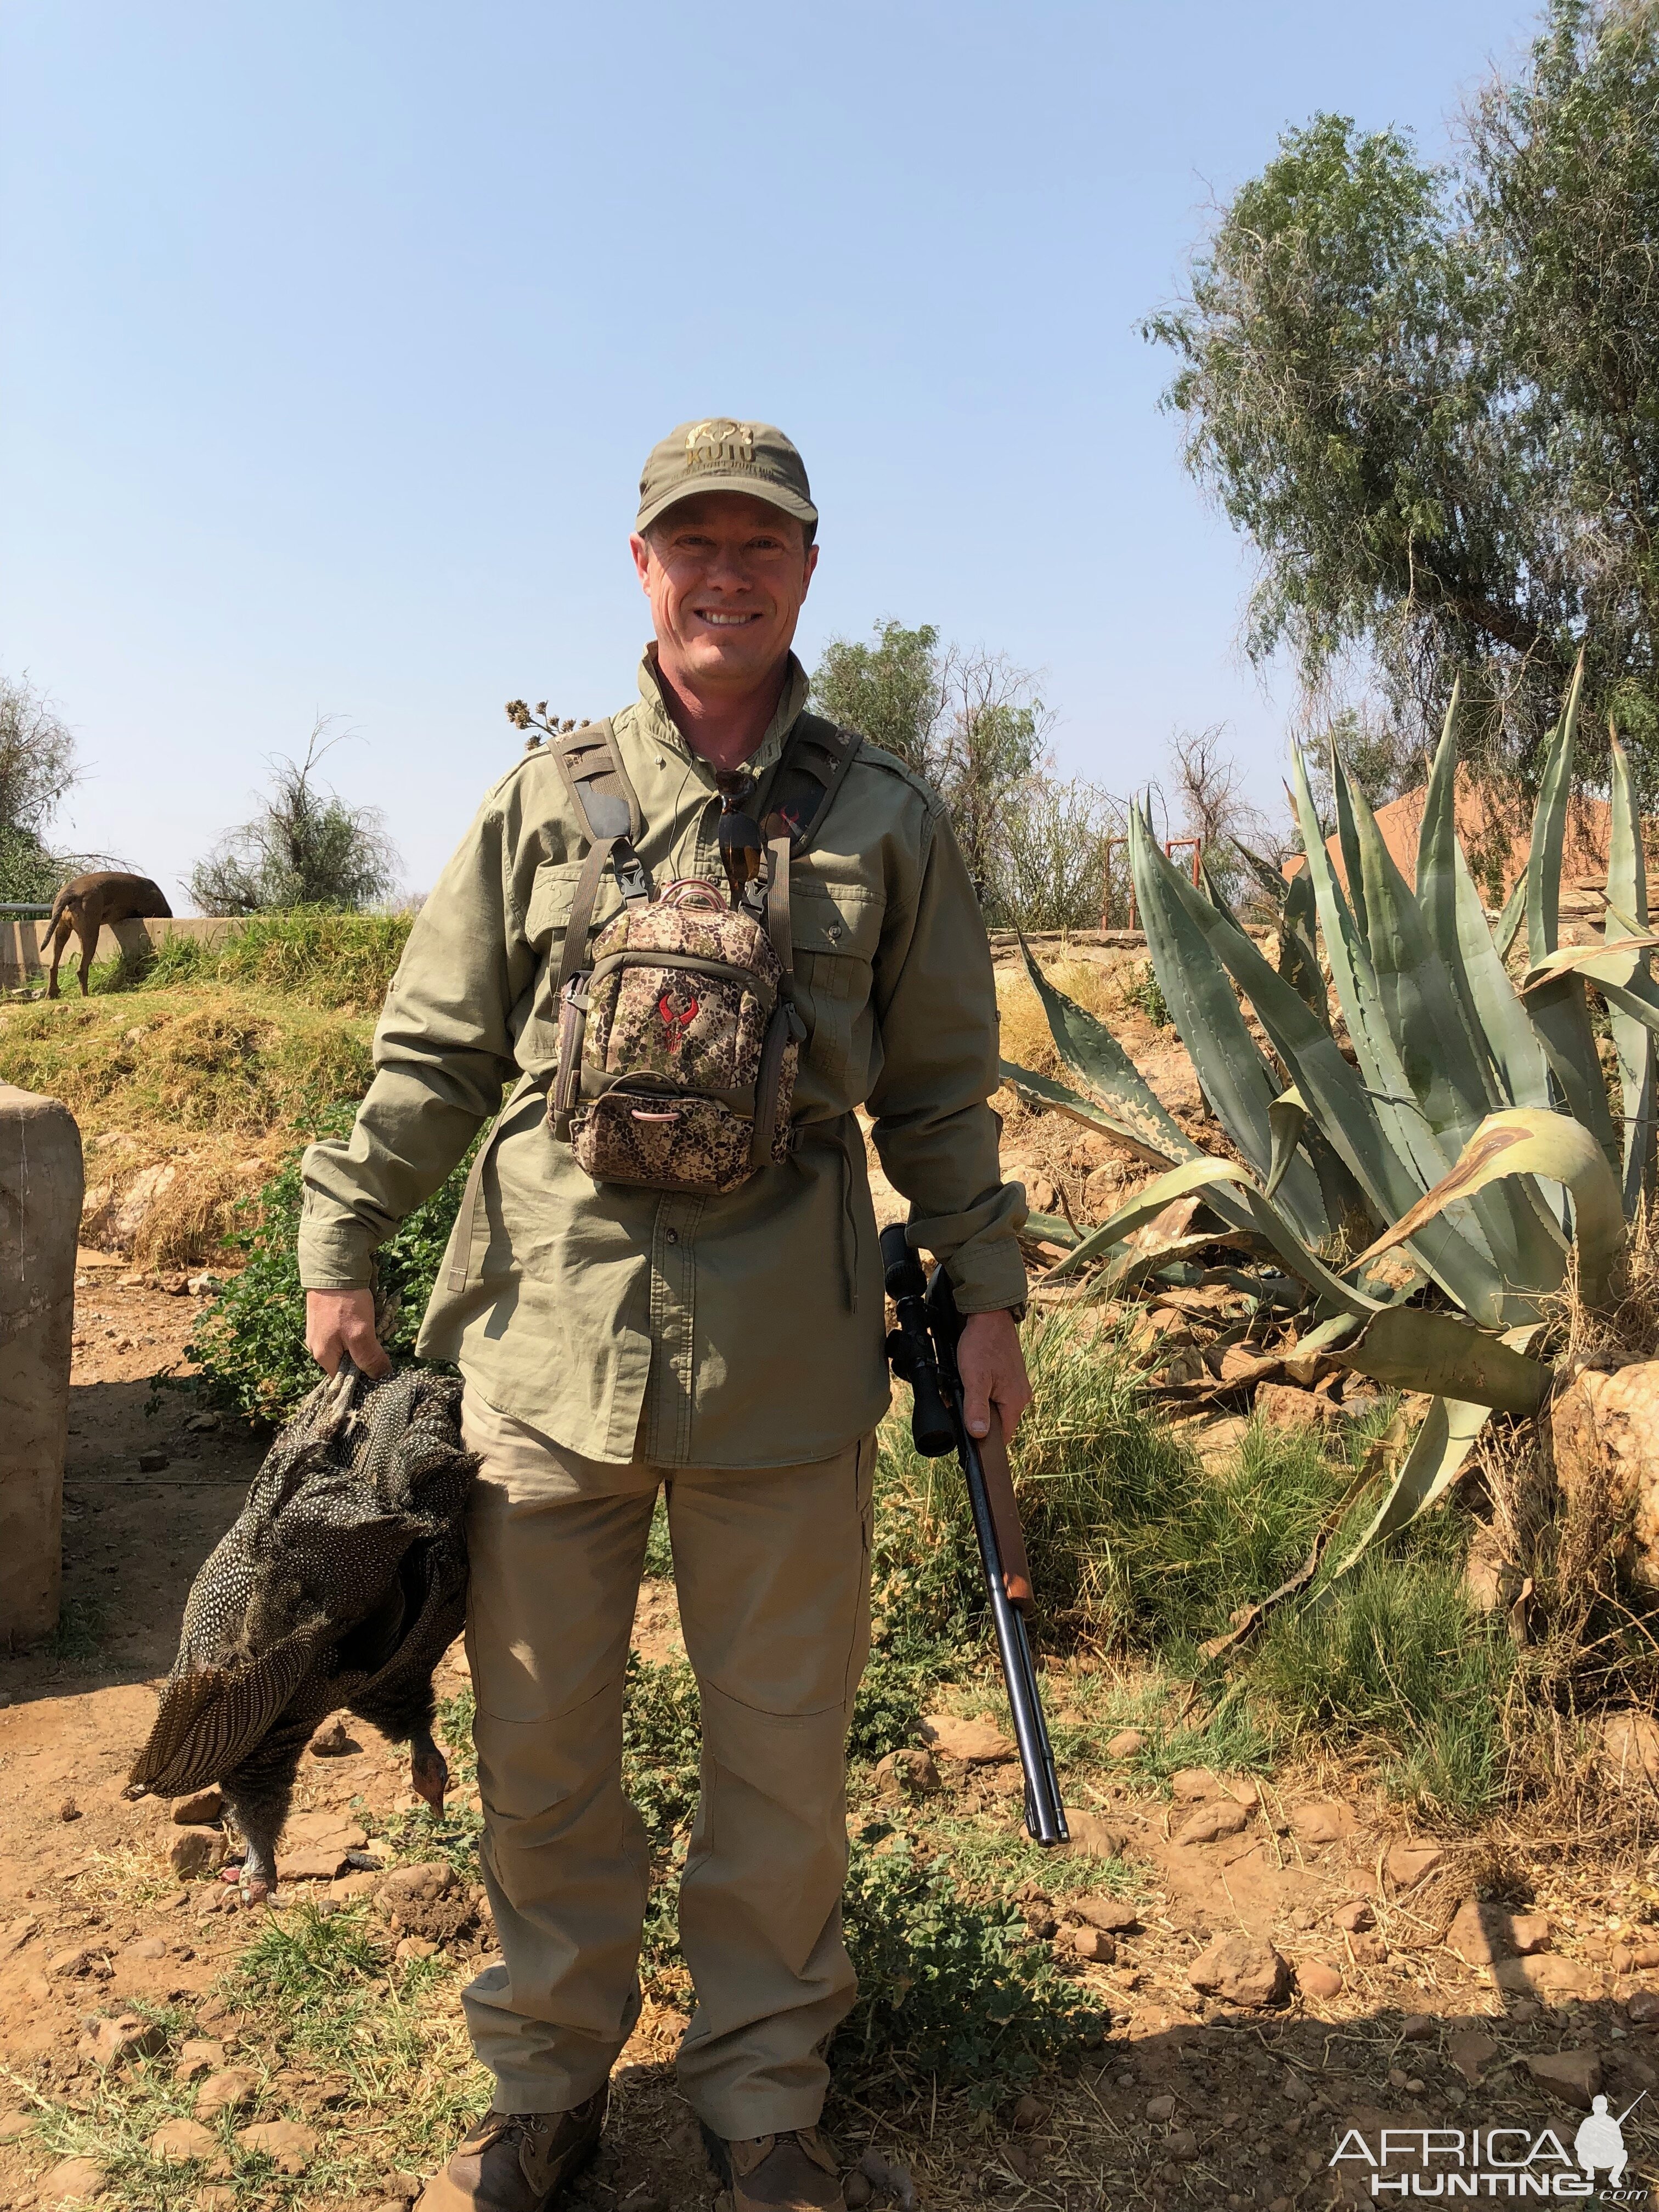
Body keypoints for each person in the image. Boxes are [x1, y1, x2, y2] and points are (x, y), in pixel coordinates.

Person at [300, 417, 1033, 2212]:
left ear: (805, 570)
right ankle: (545, 2086)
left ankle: (760, 2102)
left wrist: (991, 1296)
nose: (725, 574)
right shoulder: (542, 801)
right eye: (689, 545)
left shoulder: (886, 820)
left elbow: (941, 1092)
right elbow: (433, 1051)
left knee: (779, 1761)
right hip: (545, 1359)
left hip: (789, 1368)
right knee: (544, 1754)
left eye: (758, 545)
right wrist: (343, 1238)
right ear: (643, 570)